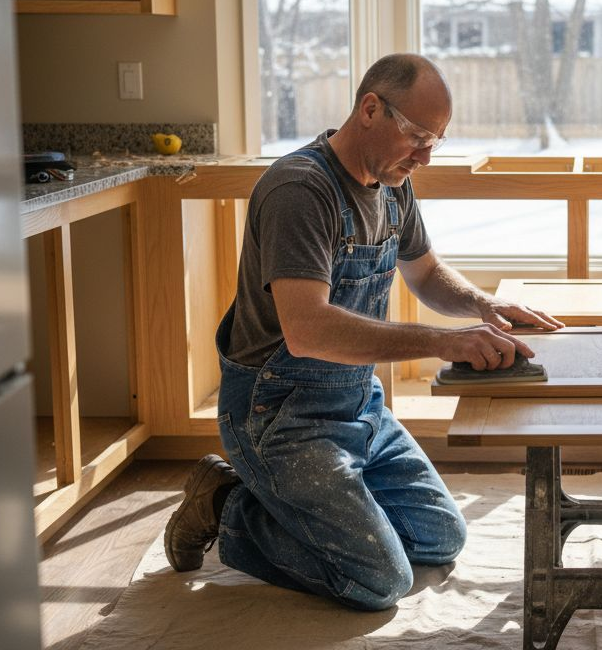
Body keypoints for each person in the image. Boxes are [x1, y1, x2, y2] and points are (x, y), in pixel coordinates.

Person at [163, 53, 564, 611]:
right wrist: (442, 342)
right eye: (418, 137)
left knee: (440, 537)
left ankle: (321, 510)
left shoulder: (392, 181)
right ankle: (226, 502)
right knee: (380, 581)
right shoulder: (300, 191)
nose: (425, 157)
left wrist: (484, 303)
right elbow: (307, 331)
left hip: (358, 406)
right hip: (278, 418)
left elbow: (426, 274)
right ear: (370, 109)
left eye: (435, 141)